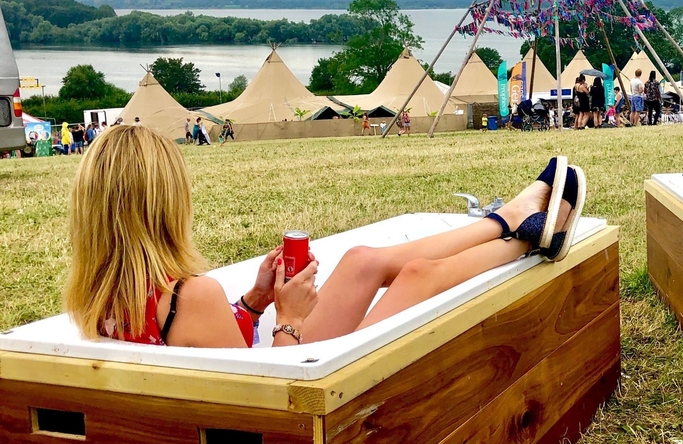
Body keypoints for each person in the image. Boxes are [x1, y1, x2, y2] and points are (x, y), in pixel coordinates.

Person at [63, 127, 586, 349]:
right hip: (297, 387)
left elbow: (208, 353)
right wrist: (287, 319)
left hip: (283, 368)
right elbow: (258, 403)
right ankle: (527, 238)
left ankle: (509, 217)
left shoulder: (95, 299)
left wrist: (254, 301)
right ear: (163, 205)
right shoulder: (187, 296)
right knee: (417, 277)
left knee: (360, 261)